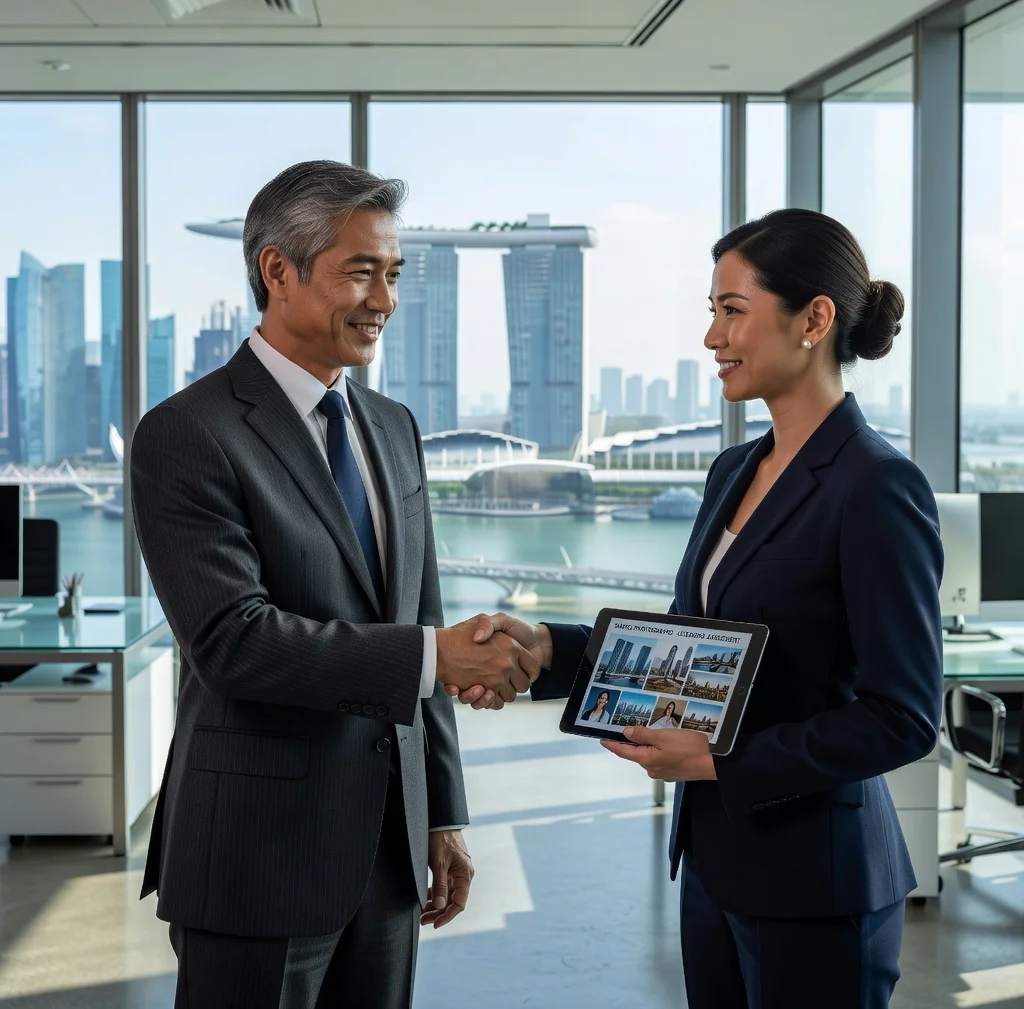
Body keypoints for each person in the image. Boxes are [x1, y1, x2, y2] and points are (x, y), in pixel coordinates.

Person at [454, 208, 943, 1009]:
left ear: (814, 319)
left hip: (817, 885)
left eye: (732, 311)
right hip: (715, 864)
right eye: (711, 313)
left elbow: (903, 717)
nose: (712, 338)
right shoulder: (733, 470)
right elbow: (692, 649)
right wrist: (548, 649)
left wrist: (720, 762)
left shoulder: (876, 486)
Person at [131, 160, 541, 1009]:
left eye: (391, 274)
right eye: (361, 272)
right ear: (278, 270)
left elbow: (415, 620)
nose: (384, 300)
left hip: (389, 857)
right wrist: (436, 657)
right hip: (257, 858)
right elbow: (233, 643)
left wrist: (441, 814)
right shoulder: (187, 433)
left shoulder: (393, 429)